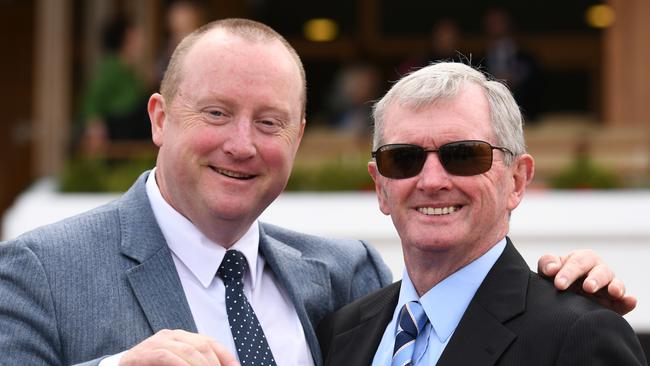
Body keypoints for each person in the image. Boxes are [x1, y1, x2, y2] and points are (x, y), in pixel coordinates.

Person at [0, 20, 636, 366]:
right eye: (216, 113)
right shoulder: (40, 270)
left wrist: (569, 293)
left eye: (270, 122)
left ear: (299, 137)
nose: (242, 145)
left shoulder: (339, 279)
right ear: (160, 117)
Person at [316, 62, 647, 365]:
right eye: (403, 158)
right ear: (380, 187)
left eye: (463, 155)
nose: (432, 181)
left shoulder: (579, 335)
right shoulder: (340, 333)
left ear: (516, 181)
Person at [77, 15, 151, 154]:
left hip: (131, 134)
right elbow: (92, 101)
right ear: (128, 38)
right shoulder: (112, 67)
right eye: (138, 35)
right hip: (119, 133)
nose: (142, 41)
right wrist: (95, 128)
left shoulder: (130, 70)